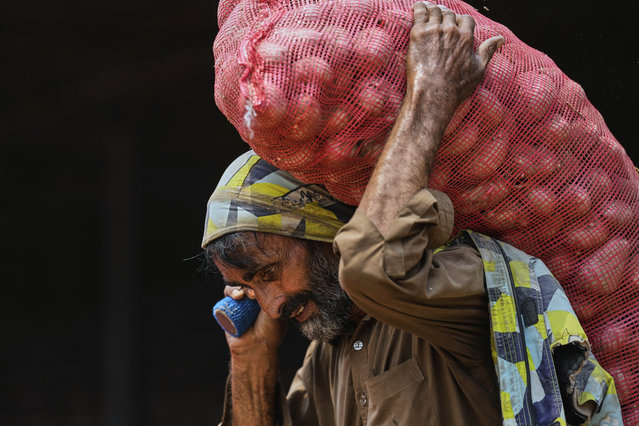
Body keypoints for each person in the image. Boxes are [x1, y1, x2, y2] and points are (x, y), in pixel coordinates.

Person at [202, 3, 622, 425]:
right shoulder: (330, 357)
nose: (272, 308)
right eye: (249, 289)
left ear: (326, 233)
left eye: (269, 273)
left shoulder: (452, 285)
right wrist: (251, 355)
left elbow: (372, 267)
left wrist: (431, 94)